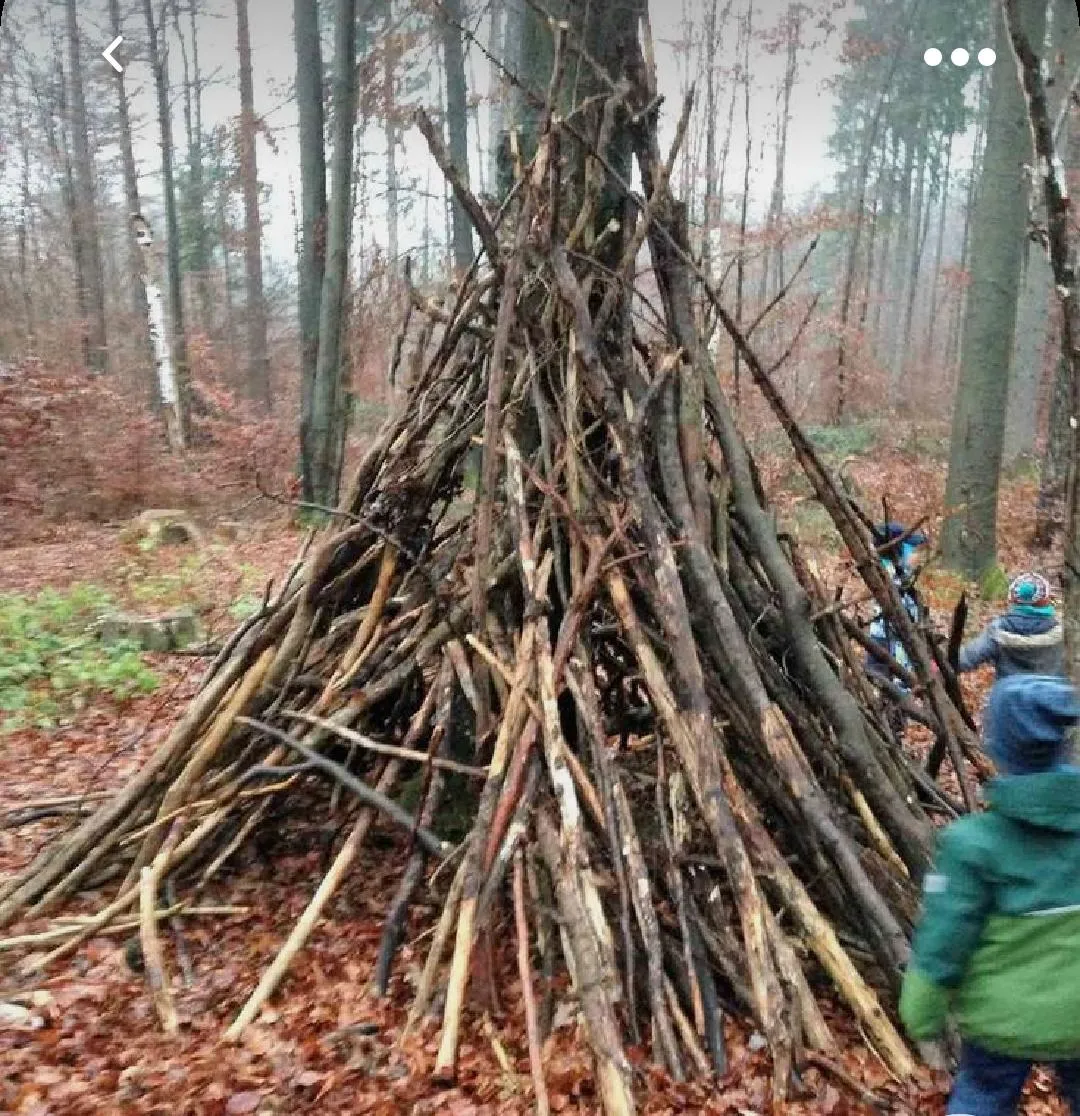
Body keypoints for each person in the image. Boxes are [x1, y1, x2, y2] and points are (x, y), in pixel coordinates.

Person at [899, 673, 1080, 1115]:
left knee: (982, 1097)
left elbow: (944, 939)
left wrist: (921, 1009)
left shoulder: (971, 844)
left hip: (1001, 1024)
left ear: (997, 748)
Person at [957, 573, 1063, 679]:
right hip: (1051, 692)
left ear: (1012, 600)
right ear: (1046, 600)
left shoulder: (998, 629)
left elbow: (965, 660)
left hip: (1008, 692)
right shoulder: (1061, 632)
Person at [865, 522, 929, 683]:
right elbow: (906, 615)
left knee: (879, 678)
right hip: (894, 640)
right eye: (911, 549)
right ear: (899, 550)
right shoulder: (895, 578)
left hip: (880, 637)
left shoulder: (883, 572)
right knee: (893, 683)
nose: (916, 554)